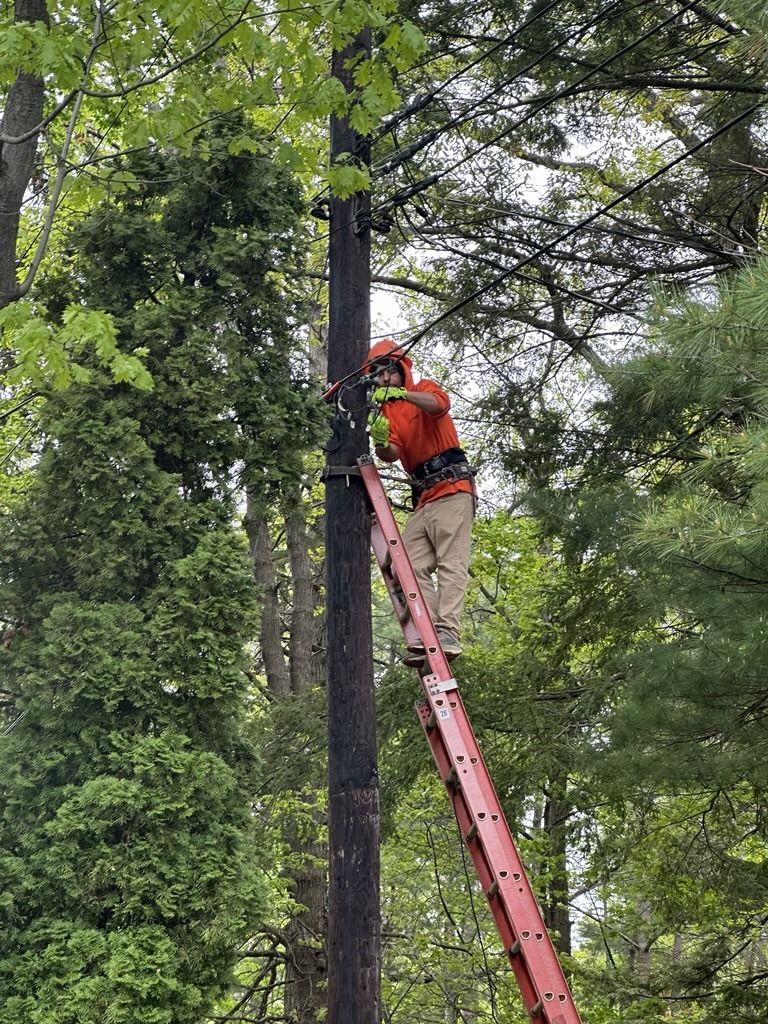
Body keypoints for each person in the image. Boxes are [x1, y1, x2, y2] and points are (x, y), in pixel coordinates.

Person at [364, 340, 475, 664]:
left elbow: (439, 404)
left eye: (389, 372)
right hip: (423, 495)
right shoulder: (387, 413)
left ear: (401, 370)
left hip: (452, 487)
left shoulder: (423, 389)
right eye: (377, 375)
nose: (384, 380)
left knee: (450, 562)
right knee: (406, 564)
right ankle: (429, 635)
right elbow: (391, 455)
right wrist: (381, 440)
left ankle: (448, 632)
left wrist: (404, 395)